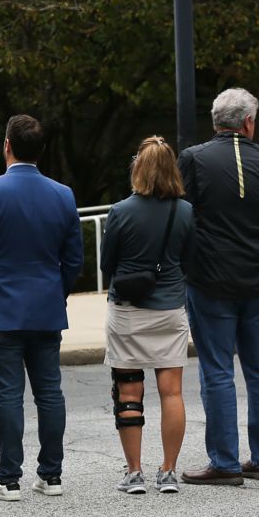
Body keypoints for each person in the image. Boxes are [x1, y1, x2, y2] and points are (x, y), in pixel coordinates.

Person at [0, 115, 84, 502]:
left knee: (8, 395)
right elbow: (74, 259)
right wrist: (56, 292)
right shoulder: (63, 195)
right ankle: (52, 475)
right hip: (45, 308)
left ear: (7, 146)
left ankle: (9, 479)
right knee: (50, 393)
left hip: (2, 309)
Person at [177, 88, 259, 486]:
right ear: (249, 122)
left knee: (217, 370)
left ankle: (224, 461)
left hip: (211, 280)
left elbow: (184, 213)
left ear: (216, 120)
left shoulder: (193, 158)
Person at [100, 137, 194, 494]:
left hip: (127, 312)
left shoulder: (121, 211)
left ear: (138, 167)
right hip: (170, 310)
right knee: (172, 393)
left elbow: (107, 264)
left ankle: (134, 473)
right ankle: (168, 471)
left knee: (128, 391)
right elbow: (188, 261)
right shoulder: (184, 211)